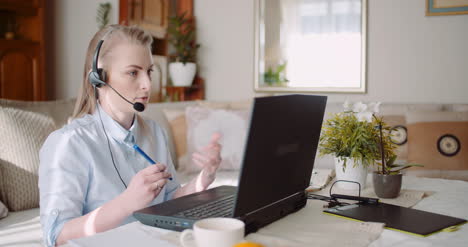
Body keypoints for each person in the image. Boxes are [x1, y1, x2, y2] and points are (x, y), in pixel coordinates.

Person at [39, 25, 222, 247]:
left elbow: (170, 202)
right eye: (133, 72)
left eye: (149, 71)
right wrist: (127, 203)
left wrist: (204, 178)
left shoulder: (154, 132)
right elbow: (56, 235)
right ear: (99, 78)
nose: (147, 84)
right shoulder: (69, 143)